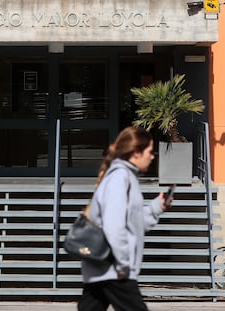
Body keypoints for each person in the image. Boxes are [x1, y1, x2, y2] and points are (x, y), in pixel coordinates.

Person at [78, 126, 171, 311]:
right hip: (113, 268)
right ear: (136, 152)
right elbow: (114, 225)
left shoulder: (125, 177)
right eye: (150, 151)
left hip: (105, 268)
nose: (153, 157)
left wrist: (156, 208)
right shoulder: (119, 177)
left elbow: (133, 224)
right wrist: (122, 265)